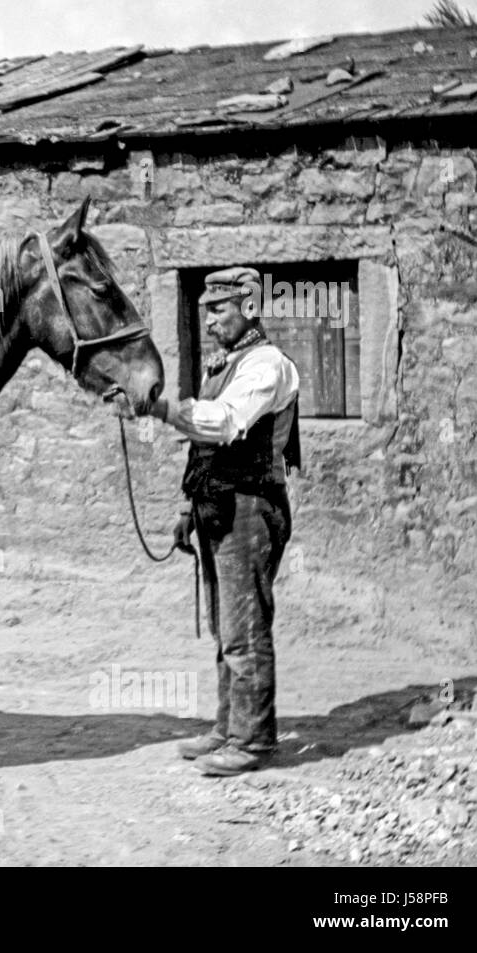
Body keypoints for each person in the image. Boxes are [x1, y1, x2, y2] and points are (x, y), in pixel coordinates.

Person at [145, 266, 300, 776]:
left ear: (249, 308)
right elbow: (203, 450)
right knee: (225, 626)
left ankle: (254, 741)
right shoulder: (225, 364)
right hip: (219, 506)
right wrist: (187, 507)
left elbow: (225, 423)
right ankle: (229, 727)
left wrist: (161, 408)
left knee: (245, 629)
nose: (209, 321)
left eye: (220, 310)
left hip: (251, 507)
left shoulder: (266, 366)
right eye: (206, 311)